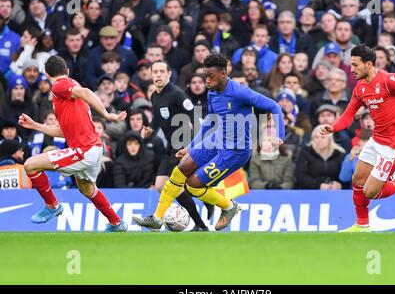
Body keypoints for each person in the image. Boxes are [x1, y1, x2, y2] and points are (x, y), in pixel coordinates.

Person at [133, 54, 285, 231]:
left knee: (193, 185)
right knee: (180, 168)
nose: (207, 80)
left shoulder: (240, 92)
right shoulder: (212, 92)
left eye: (211, 76)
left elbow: (274, 106)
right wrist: (190, 147)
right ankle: (157, 219)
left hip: (235, 151)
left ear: (223, 74)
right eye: (206, 76)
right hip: (216, 139)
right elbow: (210, 122)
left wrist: (279, 135)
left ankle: (228, 207)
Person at [320, 44, 395, 232]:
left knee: (371, 192)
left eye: (355, 65)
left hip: (394, 146)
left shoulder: (389, 80)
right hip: (376, 140)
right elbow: (348, 114)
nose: (352, 69)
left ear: (368, 64)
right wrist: (333, 127)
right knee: (357, 180)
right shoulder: (360, 87)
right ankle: (362, 225)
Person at [18, 55, 128, 232]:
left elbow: (86, 92)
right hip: (93, 148)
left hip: (83, 150)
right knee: (86, 189)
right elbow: (63, 131)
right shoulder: (68, 92)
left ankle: (52, 205)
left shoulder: (60, 85)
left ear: (47, 74)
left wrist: (107, 115)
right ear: (67, 70)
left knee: (30, 165)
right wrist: (35, 125)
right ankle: (116, 223)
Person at [133, 59, 212, 232]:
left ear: (169, 74)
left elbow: (193, 114)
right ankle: (205, 206)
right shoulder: (155, 95)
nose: (158, 75)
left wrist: (193, 135)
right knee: (164, 185)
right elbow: (157, 117)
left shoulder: (177, 94)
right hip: (171, 147)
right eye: (155, 72)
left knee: (168, 185)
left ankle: (200, 223)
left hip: (183, 146)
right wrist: (150, 128)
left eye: (162, 71)